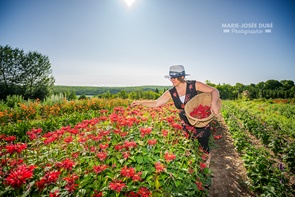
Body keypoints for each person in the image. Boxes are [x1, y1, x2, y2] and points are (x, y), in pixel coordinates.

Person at [131, 65, 220, 157]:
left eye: (175, 77)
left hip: (199, 119)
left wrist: (213, 103)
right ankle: (196, 163)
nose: (172, 80)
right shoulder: (171, 92)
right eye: (171, 77)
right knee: (189, 144)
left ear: (182, 77)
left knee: (203, 139)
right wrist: (140, 103)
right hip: (185, 122)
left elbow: (214, 90)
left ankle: (207, 157)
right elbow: (156, 103)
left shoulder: (193, 85)